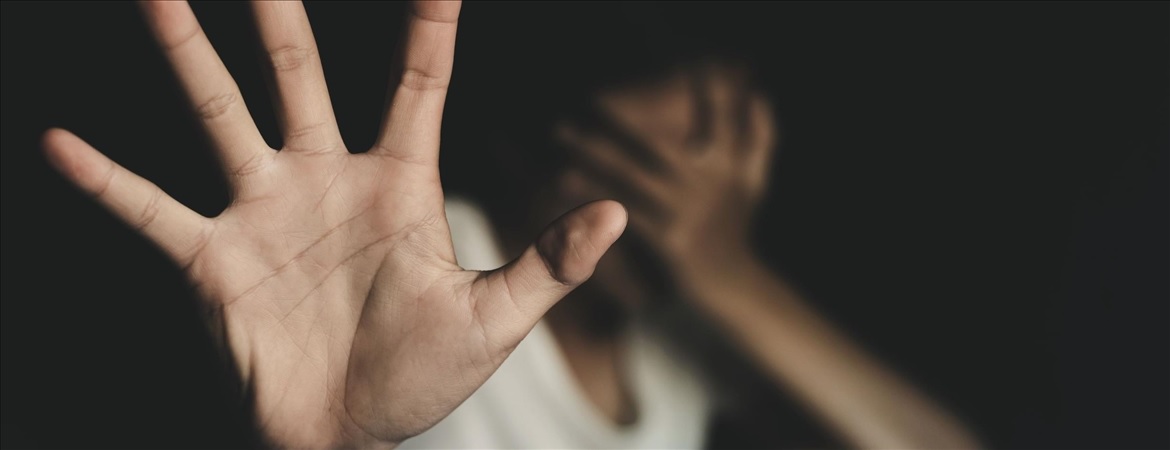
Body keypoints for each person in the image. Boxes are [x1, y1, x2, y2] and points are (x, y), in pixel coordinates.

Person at [43, 1, 979, 448]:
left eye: (741, 133)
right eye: (689, 137)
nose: (725, 183)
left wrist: (731, 278)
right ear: (559, 139)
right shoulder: (395, 277)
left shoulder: (677, 341)